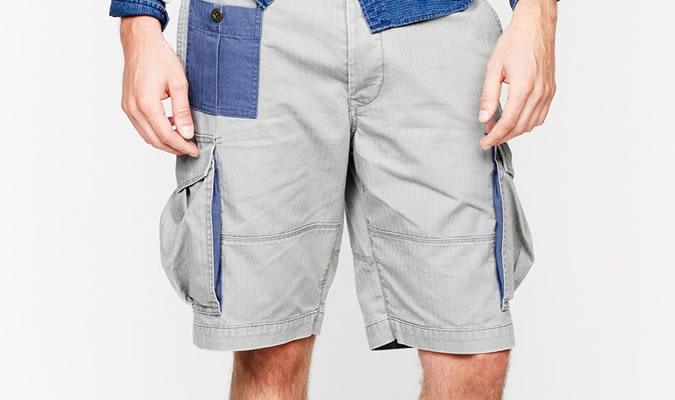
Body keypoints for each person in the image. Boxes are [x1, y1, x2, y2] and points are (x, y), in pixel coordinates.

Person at [110, 0, 557, 398]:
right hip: (259, 27)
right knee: (269, 346)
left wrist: (539, 11)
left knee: (472, 345)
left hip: (436, 24)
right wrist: (138, 22)